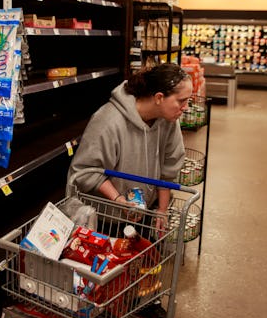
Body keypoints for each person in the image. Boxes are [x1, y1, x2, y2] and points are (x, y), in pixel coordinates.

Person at [67, 63, 193, 233]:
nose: (186, 108)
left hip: (144, 211)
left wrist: (161, 211)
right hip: (107, 217)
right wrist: (119, 201)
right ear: (159, 97)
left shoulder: (168, 121)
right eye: (181, 101)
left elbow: (169, 168)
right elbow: (87, 171)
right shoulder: (108, 121)